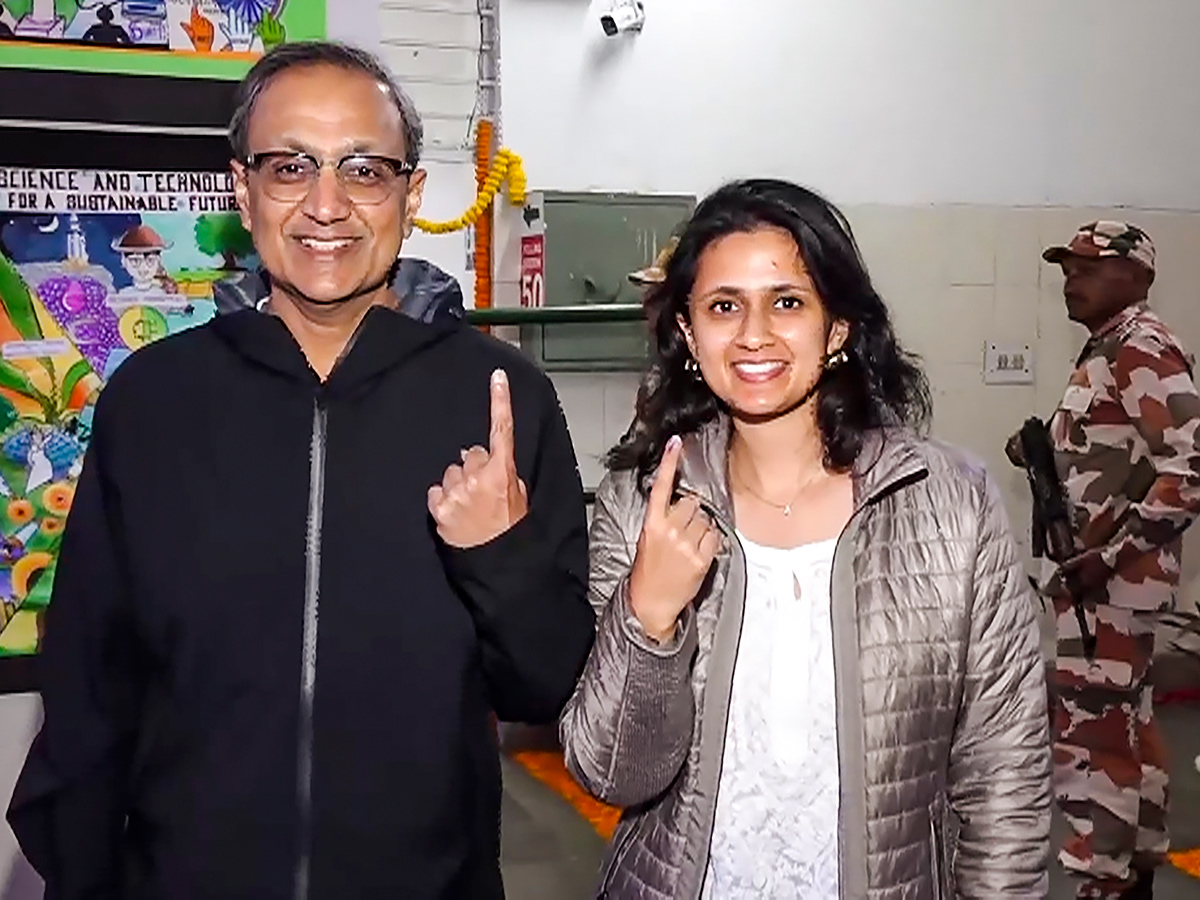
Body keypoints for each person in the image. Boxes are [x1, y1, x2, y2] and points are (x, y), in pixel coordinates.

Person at [7, 40, 595, 900]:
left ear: (410, 193)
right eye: (291, 166)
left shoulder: (502, 399)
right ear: (242, 190)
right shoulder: (155, 401)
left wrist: (502, 555)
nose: (328, 206)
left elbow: (546, 683)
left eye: (363, 169)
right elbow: (91, 691)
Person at [559, 178, 1053, 898]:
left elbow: (1003, 773)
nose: (755, 334)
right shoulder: (644, 506)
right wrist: (648, 619)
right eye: (725, 306)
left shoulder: (951, 505)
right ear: (691, 334)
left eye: (787, 302)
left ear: (839, 328)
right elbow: (614, 775)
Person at [1023, 222, 1200, 899]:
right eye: (1068, 267)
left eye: (1090, 267)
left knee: (1092, 744)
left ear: (1138, 276)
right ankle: (1133, 871)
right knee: (1127, 728)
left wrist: (1110, 558)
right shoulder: (1106, 350)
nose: (1073, 278)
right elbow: (1118, 455)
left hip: (1110, 594)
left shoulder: (1139, 349)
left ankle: (1102, 880)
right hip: (1102, 589)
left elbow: (1191, 466)